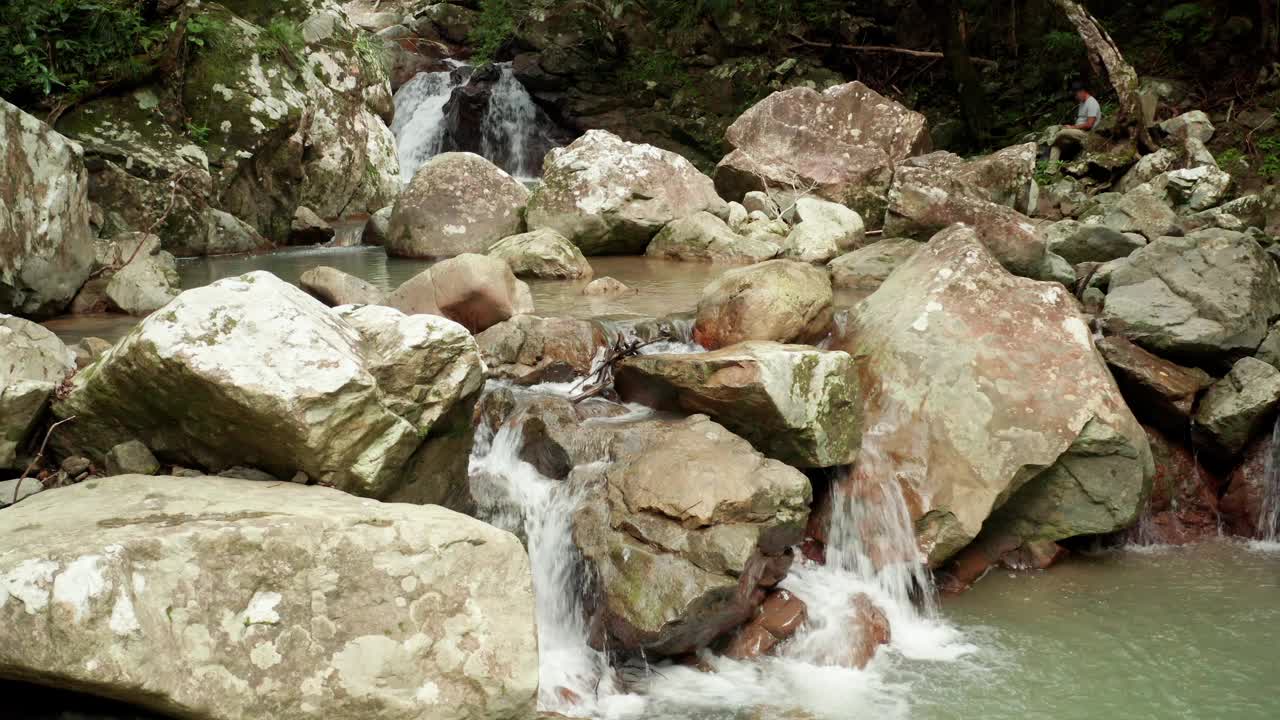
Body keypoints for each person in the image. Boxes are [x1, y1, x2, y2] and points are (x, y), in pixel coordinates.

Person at [1048, 83, 1102, 162]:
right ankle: (1051, 170)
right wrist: (1071, 127)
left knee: (1062, 132)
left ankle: (1050, 140)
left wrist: (1072, 127)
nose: (1076, 97)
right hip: (1077, 131)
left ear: (1082, 91)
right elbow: (1081, 121)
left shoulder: (1092, 103)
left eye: (1076, 95)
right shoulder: (1082, 102)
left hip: (1087, 134)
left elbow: (1089, 125)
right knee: (1057, 143)